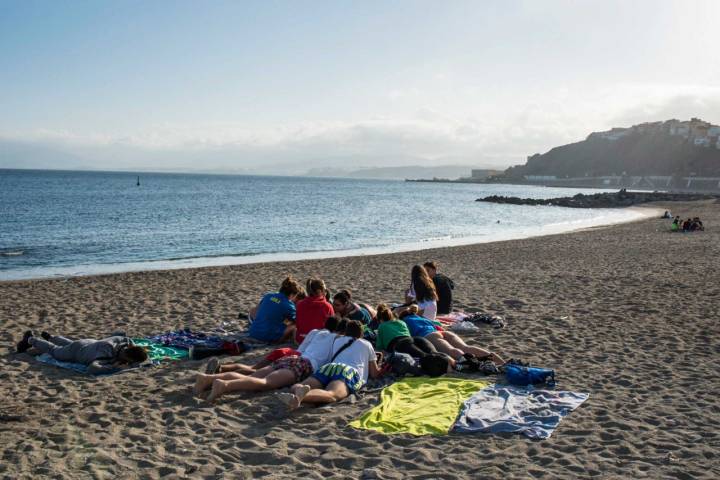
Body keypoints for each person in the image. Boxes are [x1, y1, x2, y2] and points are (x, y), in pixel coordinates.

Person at [194, 316, 347, 402]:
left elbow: (300, 349)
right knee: (266, 383)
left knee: (253, 376)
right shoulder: (338, 339)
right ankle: (224, 385)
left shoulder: (316, 332)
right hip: (304, 365)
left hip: (293, 357)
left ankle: (209, 378)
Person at [279, 320, 381, 410]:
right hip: (348, 371)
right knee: (332, 394)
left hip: (329, 367)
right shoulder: (366, 344)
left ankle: (296, 390)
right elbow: (374, 373)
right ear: (361, 333)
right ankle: (303, 396)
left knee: (302, 385)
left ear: (346, 331)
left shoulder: (338, 340)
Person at [399, 306, 504, 365]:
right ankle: (499, 361)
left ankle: (470, 362)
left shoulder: (405, 322)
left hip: (429, 336)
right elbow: (438, 324)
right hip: (442, 332)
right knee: (466, 347)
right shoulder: (421, 318)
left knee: (450, 351)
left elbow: (407, 337)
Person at [16, 330, 148, 374]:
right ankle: (30, 339)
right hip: (78, 351)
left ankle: (52, 337)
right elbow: (92, 368)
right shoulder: (105, 354)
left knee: (69, 343)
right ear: (126, 356)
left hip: (89, 343)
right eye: (129, 361)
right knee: (54, 351)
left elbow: (131, 343)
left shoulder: (125, 341)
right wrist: (112, 367)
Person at [248, 276, 302, 343]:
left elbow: (259, 310)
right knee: (294, 326)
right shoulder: (288, 305)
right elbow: (298, 321)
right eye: (295, 296)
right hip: (266, 338)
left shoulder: (268, 295)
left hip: (253, 332)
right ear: (291, 295)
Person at [295, 278, 334, 344]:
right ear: (319, 291)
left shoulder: (300, 304)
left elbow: (298, 324)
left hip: (301, 339)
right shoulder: (327, 306)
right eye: (324, 290)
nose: (326, 292)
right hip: (318, 342)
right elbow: (333, 327)